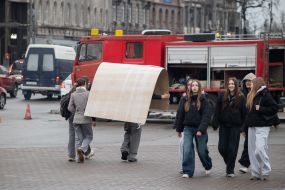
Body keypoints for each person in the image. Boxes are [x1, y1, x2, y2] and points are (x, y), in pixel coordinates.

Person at [242, 77, 279, 180]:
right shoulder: (250, 95)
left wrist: (261, 108)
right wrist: (244, 129)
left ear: (257, 84)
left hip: (262, 126)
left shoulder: (265, 94)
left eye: (252, 83)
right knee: (252, 151)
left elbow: (274, 108)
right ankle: (255, 173)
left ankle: (266, 170)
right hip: (251, 127)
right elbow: (248, 114)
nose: (250, 85)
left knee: (259, 149)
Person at [176, 80, 212, 178]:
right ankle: (187, 171)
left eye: (196, 85)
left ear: (199, 87)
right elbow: (181, 115)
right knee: (187, 149)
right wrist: (179, 129)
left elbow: (206, 116)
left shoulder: (204, 99)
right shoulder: (185, 99)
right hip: (188, 128)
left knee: (201, 150)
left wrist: (201, 129)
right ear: (190, 87)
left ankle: (207, 165)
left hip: (200, 129)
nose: (194, 87)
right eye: (193, 85)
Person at [120, 92, 170, 162]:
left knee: (128, 132)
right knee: (136, 134)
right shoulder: (140, 85)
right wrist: (162, 96)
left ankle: (124, 150)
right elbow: (147, 94)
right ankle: (131, 156)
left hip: (127, 112)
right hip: (137, 113)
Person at [212, 78, 247, 177]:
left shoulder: (241, 97)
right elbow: (217, 111)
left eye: (233, 84)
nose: (231, 85)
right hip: (224, 126)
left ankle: (230, 170)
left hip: (235, 127)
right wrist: (215, 123)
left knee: (232, 149)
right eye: (229, 84)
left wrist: (243, 127)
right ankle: (230, 164)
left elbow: (245, 114)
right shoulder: (222, 95)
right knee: (222, 148)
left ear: (236, 85)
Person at [68, 77, 93, 163]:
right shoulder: (88, 94)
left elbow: (70, 108)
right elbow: (91, 107)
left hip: (76, 119)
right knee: (89, 136)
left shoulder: (73, 94)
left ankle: (79, 158)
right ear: (85, 84)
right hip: (86, 119)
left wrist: (77, 112)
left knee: (79, 138)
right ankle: (82, 149)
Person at [173, 79, 192, 174]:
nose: (190, 86)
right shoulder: (183, 98)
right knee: (182, 145)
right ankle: (183, 167)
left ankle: (206, 163)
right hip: (186, 127)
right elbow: (179, 113)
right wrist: (178, 128)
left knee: (201, 150)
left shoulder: (202, 97)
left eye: (192, 85)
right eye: (188, 85)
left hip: (197, 128)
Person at [238, 73, 256, 173]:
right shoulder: (241, 94)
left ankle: (256, 164)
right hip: (246, 123)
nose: (248, 83)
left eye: (251, 81)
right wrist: (242, 128)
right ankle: (245, 164)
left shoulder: (258, 93)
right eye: (247, 81)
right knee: (247, 144)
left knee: (259, 147)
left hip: (257, 123)